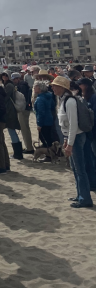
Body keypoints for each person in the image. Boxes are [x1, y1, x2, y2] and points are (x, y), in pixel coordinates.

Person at [51, 76, 93, 208]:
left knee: (80, 169)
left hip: (76, 137)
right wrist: (66, 140)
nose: (53, 88)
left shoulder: (69, 101)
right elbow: (66, 125)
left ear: (62, 88)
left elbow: (73, 124)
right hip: (72, 137)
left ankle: (85, 199)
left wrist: (69, 143)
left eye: (55, 86)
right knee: (75, 168)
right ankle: (80, 195)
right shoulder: (63, 100)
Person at [0, 73, 22, 160]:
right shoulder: (7, 84)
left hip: (10, 110)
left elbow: (6, 97)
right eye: (3, 76)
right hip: (9, 110)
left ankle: (17, 153)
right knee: (11, 130)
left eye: (6, 76)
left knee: (11, 130)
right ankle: (17, 153)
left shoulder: (9, 85)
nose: (4, 77)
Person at [11, 73, 34, 154]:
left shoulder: (22, 86)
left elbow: (22, 99)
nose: (14, 81)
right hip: (24, 108)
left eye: (15, 79)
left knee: (25, 128)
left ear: (18, 78)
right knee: (25, 128)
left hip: (23, 109)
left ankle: (29, 148)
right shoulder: (21, 85)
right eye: (13, 79)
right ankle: (28, 146)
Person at [33, 82, 56, 149]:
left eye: (35, 87)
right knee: (48, 136)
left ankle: (48, 154)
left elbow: (41, 112)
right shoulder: (49, 96)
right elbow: (53, 106)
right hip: (49, 118)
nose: (34, 88)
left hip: (44, 121)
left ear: (40, 89)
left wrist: (39, 124)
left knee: (44, 138)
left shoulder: (40, 99)